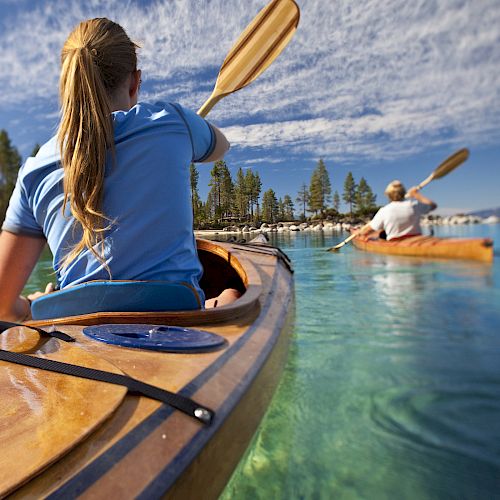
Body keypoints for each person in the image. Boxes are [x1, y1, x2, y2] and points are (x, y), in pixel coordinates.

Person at [0, 18, 238, 323]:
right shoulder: (172, 121)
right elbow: (221, 147)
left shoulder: (34, 171)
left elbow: (3, 305)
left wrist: (35, 304)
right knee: (230, 293)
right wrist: (190, 129)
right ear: (134, 81)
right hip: (178, 317)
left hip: (80, 331)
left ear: (67, 87)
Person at [357, 180, 437, 241]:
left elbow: (367, 230)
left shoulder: (384, 210)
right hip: (417, 241)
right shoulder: (414, 205)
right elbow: (433, 205)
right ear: (403, 193)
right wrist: (416, 195)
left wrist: (360, 232)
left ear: (388, 195)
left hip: (394, 244)